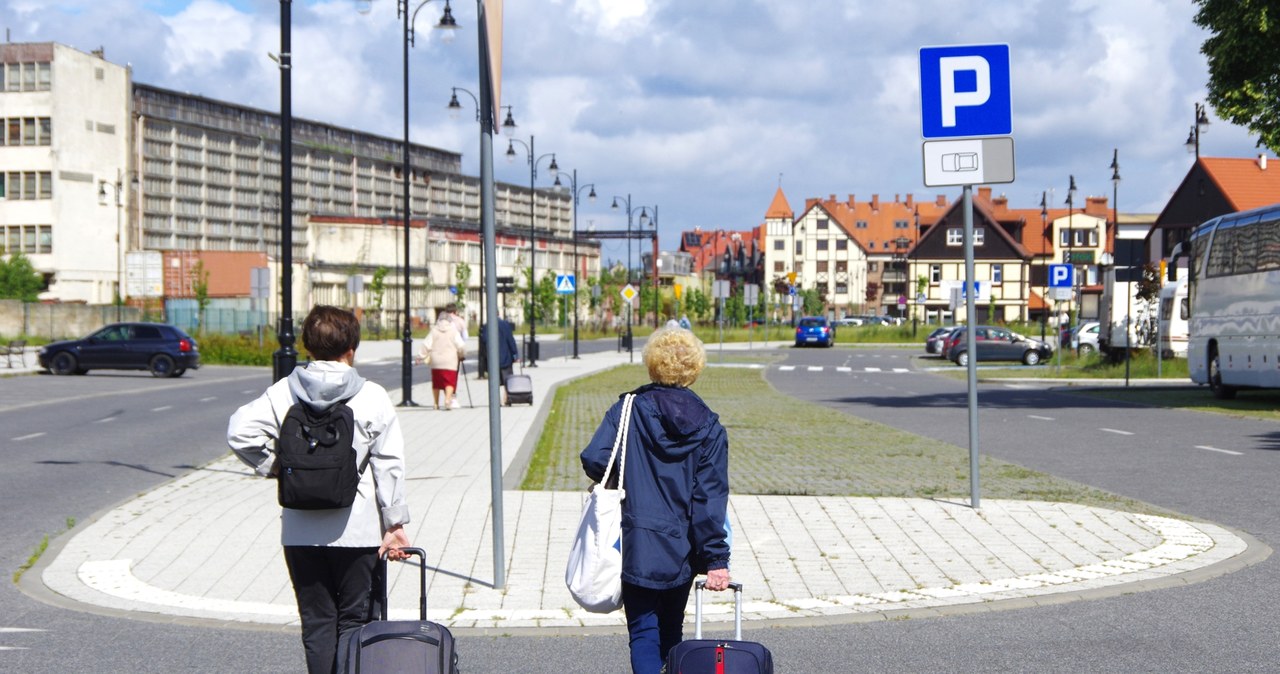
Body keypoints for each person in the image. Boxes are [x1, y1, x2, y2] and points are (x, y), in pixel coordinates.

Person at [226, 305, 410, 674]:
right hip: (356, 532)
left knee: (316, 621)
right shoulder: (372, 396)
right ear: (352, 348)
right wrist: (394, 525)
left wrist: (276, 467)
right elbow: (389, 465)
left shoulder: (282, 392)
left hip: (300, 528)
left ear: (307, 347)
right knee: (354, 623)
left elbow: (239, 432)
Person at [579, 326, 731, 673]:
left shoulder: (627, 409)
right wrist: (716, 560)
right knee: (671, 631)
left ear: (652, 364)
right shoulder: (710, 427)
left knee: (643, 633)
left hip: (635, 542)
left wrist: (625, 474)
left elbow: (594, 458)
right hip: (681, 549)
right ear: (695, 369)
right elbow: (709, 501)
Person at [419, 311, 465, 410]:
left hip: (436, 361)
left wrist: (421, 356)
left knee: (436, 382)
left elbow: (426, 344)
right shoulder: (453, 331)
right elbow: (461, 345)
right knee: (449, 382)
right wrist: (461, 354)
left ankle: (435, 403)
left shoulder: (434, 330)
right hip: (450, 360)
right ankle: (447, 400)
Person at [478, 314, 520, 405]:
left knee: (495, 380)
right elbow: (510, 340)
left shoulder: (486, 326)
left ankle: (496, 400)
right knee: (507, 379)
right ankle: (507, 397)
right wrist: (515, 354)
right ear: (498, 314)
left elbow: (484, 341)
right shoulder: (505, 325)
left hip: (492, 359)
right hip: (506, 356)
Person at [444, 303, 468, 409]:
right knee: (454, 374)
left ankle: (446, 396)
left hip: (443, 351)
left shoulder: (441, 321)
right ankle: (452, 397)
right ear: (455, 311)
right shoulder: (460, 321)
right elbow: (465, 337)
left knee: (444, 374)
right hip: (455, 352)